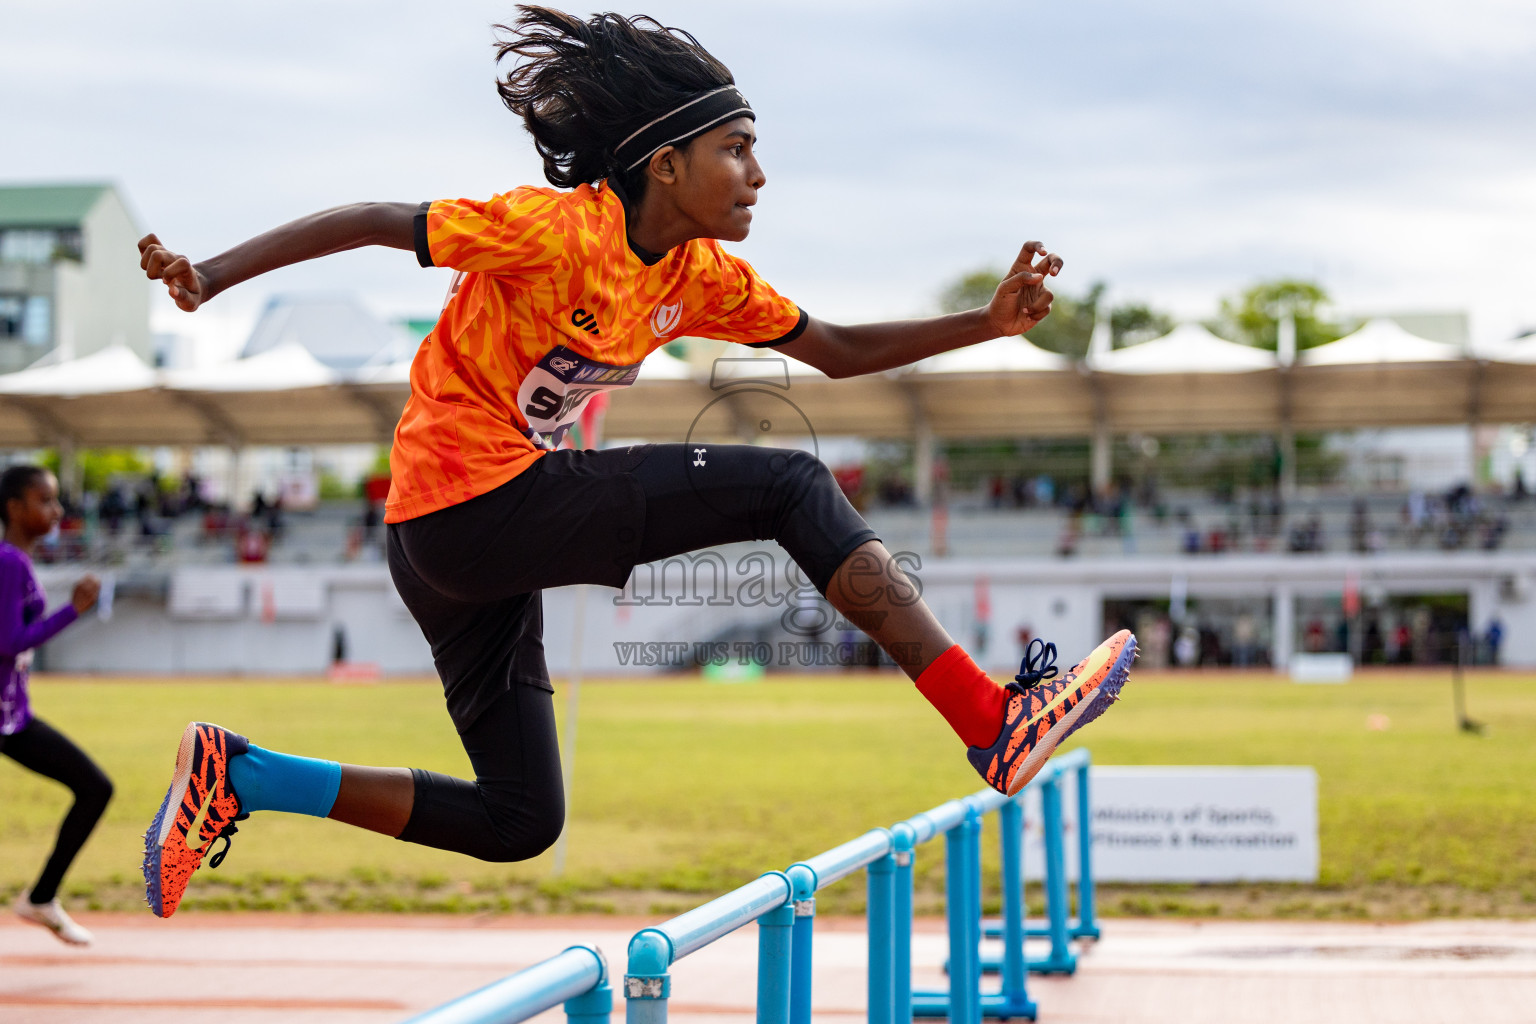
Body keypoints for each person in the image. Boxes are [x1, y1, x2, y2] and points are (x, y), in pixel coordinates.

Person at [134, 7, 1136, 919]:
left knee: (519, 817)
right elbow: (372, 219)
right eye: (737, 150)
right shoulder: (553, 229)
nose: (758, 174)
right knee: (788, 483)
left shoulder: (701, 276)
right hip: (465, 506)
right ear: (665, 163)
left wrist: (987, 323)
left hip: (451, 535)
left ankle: (242, 775)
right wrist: (212, 274)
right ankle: (987, 719)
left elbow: (831, 349)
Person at [0, 465, 109, 945]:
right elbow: (8, 641)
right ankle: (41, 897)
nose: (56, 510)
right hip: (5, 721)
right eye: (45, 500)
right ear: (15, 508)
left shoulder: (16, 561)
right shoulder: (9, 562)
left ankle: (41, 897)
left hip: (11, 718)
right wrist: (74, 610)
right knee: (94, 787)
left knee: (94, 787)